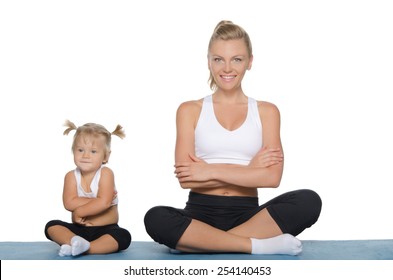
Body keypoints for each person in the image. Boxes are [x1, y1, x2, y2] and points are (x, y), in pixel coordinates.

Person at [144, 20, 322, 255]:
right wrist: (250, 170)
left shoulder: (267, 112)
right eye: (219, 59)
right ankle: (255, 245)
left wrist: (209, 171)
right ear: (209, 62)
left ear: (250, 62)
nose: (227, 68)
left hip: (249, 216)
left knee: (309, 201)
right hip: (199, 213)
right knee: (155, 218)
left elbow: (272, 177)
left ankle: (198, 243)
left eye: (237, 59)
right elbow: (186, 179)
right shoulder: (189, 110)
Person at [45, 120, 131, 256]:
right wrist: (98, 200)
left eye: (93, 151)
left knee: (123, 236)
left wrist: (79, 212)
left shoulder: (106, 173)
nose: (85, 155)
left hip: (106, 229)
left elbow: (104, 202)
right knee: (52, 226)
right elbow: (69, 203)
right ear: (73, 151)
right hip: (79, 229)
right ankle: (74, 241)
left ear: (106, 156)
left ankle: (86, 248)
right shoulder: (71, 176)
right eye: (80, 150)